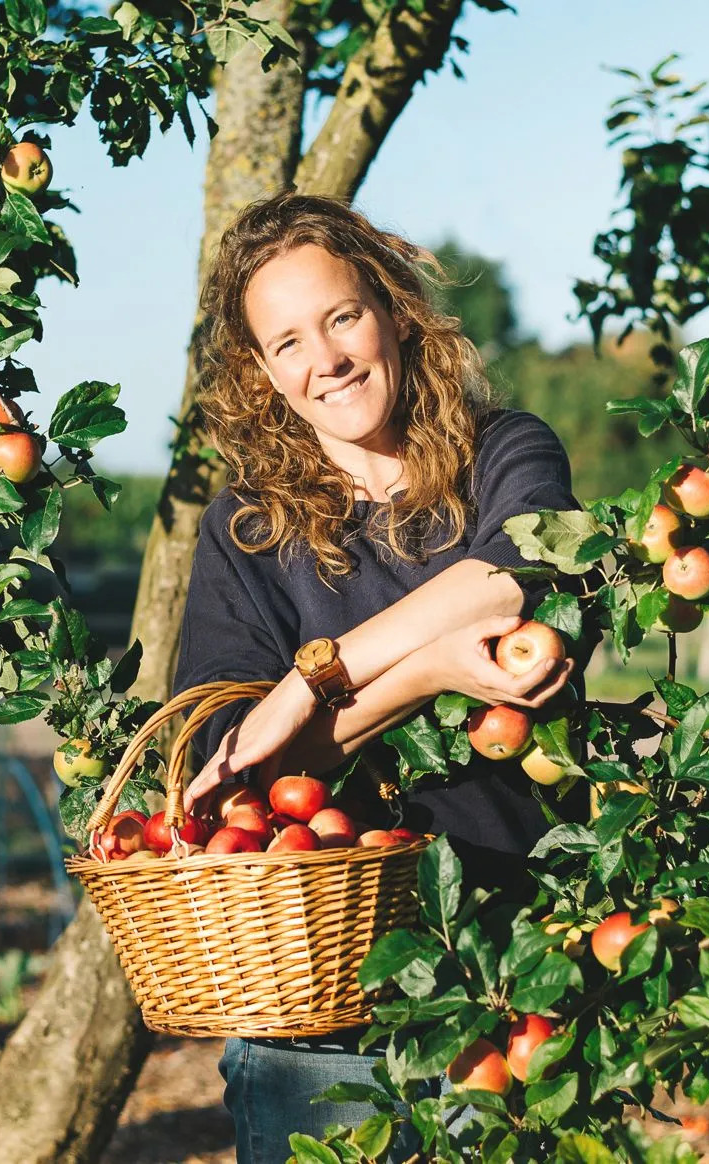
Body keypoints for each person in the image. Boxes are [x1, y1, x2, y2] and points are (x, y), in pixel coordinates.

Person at [173, 192, 590, 1164]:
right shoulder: (248, 530)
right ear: (265, 374)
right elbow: (228, 769)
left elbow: (510, 581)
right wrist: (422, 676)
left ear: (394, 312)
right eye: (287, 343)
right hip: (320, 1010)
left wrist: (308, 685)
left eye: (342, 316)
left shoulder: (506, 454)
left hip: (513, 967)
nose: (326, 359)